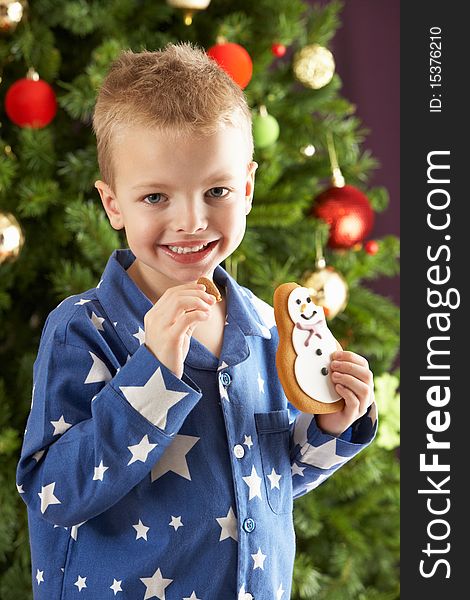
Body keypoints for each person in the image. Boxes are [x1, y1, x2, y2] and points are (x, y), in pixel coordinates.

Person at [17, 43, 377, 600]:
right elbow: (53, 493)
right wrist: (152, 378)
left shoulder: (263, 327)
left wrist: (332, 427)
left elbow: (270, 478)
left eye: (217, 191)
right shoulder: (84, 328)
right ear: (114, 205)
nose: (191, 220)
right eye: (156, 196)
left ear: (249, 187)